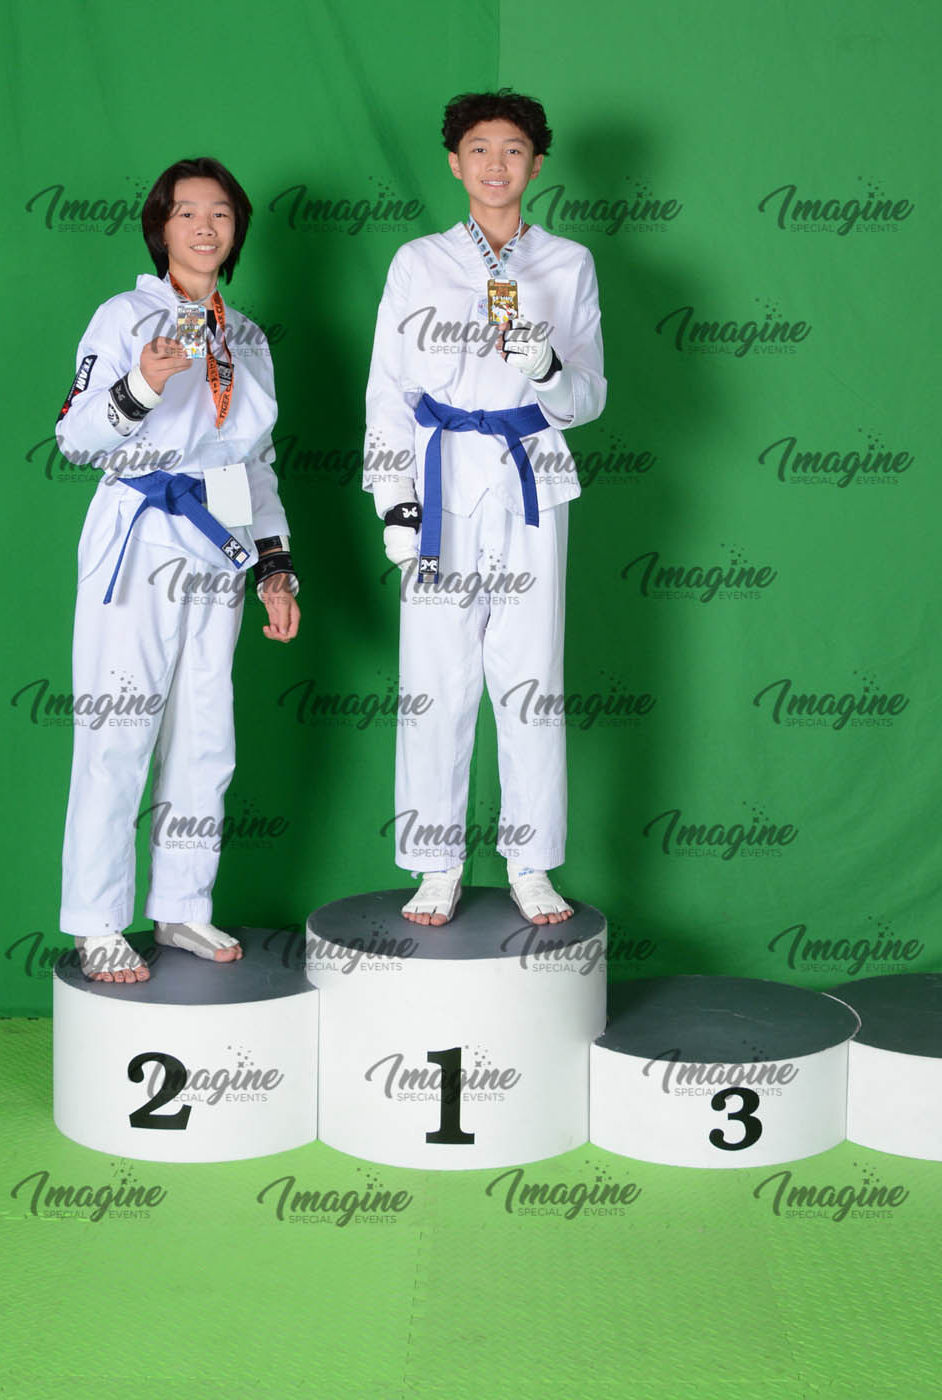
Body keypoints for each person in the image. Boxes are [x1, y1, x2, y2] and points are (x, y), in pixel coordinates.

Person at [363, 90, 606, 928]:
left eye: (512, 150)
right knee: (436, 679)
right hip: (439, 483)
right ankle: (436, 862)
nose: (495, 164)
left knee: (532, 676)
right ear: (454, 162)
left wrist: (547, 369)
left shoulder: (568, 263)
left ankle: (530, 861)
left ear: (536, 164)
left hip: (531, 478)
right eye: (479, 148)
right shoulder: (418, 261)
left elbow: (588, 399)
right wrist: (396, 502)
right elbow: (387, 392)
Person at [56, 156, 299, 984]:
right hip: (138, 533)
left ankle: (183, 904)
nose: (204, 226)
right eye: (186, 212)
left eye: (220, 213)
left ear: (237, 231)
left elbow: (251, 462)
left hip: (216, 538)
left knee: (206, 734)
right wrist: (142, 383)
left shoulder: (246, 336)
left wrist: (274, 567)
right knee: (118, 732)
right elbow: (75, 435)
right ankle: (97, 921)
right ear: (161, 227)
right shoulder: (125, 317)